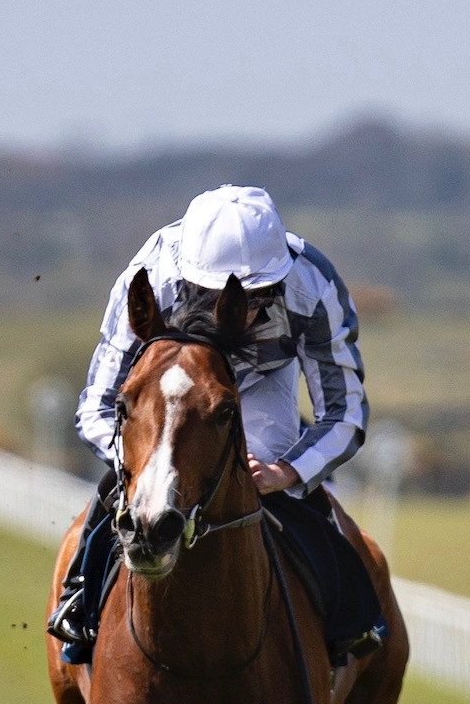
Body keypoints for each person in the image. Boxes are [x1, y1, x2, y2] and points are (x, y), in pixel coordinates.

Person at [48, 184, 375, 658]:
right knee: (134, 493)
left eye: (263, 292)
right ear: (190, 278)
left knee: (274, 483)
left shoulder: (313, 286)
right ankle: (79, 598)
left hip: (263, 382)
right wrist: (149, 462)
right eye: (222, 294)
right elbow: (97, 407)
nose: (249, 306)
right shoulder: (151, 278)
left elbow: (345, 411)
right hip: (171, 389)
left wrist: (286, 472)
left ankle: (349, 620)